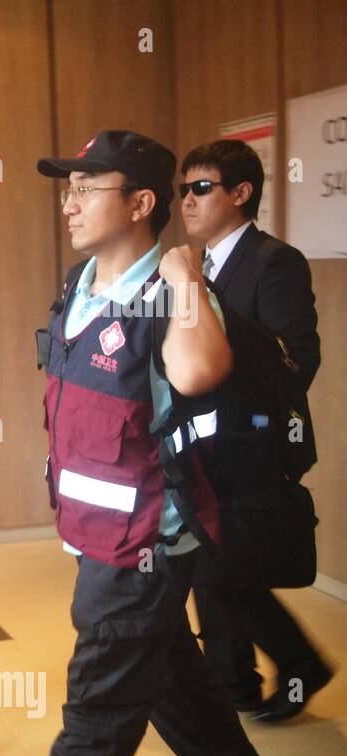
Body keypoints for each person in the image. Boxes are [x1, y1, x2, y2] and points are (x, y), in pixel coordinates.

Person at [0, 131, 286, 756]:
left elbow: (201, 371)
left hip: (146, 542)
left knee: (98, 712)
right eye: (67, 188)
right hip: (97, 532)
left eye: (88, 188)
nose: (70, 203)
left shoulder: (163, 293)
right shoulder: (79, 287)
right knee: (170, 671)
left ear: (142, 203)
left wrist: (187, 278)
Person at [179, 138, 332, 722]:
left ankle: (291, 667)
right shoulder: (202, 264)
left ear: (241, 193)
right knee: (212, 564)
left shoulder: (274, 261)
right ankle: (235, 681)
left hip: (256, 443)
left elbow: (298, 356)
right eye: (183, 191)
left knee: (220, 566)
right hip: (205, 443)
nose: (188, 203)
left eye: (201, 188)